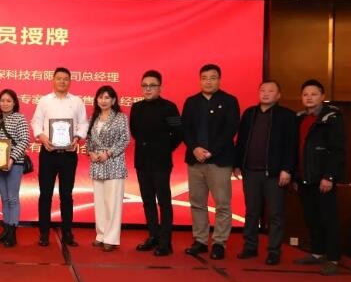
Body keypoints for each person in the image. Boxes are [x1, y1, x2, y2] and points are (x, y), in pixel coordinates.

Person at [234, 81, 297, 265]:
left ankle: (274, 251)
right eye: (262, 90)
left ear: (278, 95)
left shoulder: (286, 115)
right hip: (250, 172)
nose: (266, 93)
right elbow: (241, 141)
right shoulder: (249, 113)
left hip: (275, 173)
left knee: (275, 214)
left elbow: (291, 145)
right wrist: (237, 164)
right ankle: (250, 247)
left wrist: (287, 169)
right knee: (251, 212)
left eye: (271, 91)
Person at [181, 64, 240, 260]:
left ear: (219, 80)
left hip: (219, 161)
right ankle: (200, 240)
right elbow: (185, 129)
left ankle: (219, 243)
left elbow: (230, 129)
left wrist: (210, 151)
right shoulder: (191, 102)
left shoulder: (229, 101)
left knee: (222, 204)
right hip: (195, 160)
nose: (208, 81)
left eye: (213, 78)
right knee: (197, 203)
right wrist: (194, 148)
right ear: (200, 80)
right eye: (204, 78)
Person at [293, 79, 346, 276]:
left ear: (322, 97)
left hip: (323, 178)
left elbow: (337, 151)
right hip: (304, 177)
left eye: (314, 94)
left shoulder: (332, 117)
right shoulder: (299, 118)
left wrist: (329, 177)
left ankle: (333, 258)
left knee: (328, 219)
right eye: (305, 94)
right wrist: (295, 176)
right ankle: (317, 252)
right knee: (311, 217)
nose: (309, 98)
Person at [31, 67, 89, 247]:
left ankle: (67, 233)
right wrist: (42, 137)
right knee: (45, 194)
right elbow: (36, 122)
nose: (62, 81)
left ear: (70, 81)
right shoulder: (45, 101)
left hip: (68, 155)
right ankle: (44, 233)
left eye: (65, 79)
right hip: (48, 153)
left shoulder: (77, 101)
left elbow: (83, 124)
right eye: (59, 78)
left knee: (66, 195)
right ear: (53, 80)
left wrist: (77, 137)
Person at [129, 70, 182, 256]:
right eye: (144, 86)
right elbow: (134, 132)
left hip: (161, 162)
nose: (148, 89)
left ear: (160, 88)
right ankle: (153, 236)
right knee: (148, 200)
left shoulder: (169, 107)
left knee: (164, 201)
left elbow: (178, 133)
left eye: (152, 85)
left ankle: (166, 242)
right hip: (142, 161)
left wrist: (164, 148)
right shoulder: (136, 107)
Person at [86, 86, 130, 252]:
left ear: (113, 100)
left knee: (113, 203)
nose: (103, 101)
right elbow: (89, 139)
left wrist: (109, 153)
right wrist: (90, 152)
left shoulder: (121, 117)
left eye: (107, 97)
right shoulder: (94, 117)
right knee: (100, 203)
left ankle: (111, 238)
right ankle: (101, 234)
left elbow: (125, 140)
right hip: (97, 163)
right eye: (100, 97)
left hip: (114, 163)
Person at [0, 89, 30, 247]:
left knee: (12, 198)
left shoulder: (20, 118)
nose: (5, 103)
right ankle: (5, 230)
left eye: (8, 101)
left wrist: (11, 159)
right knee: (4, 198)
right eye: (2, 100)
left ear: (14, 103)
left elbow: (25, 140)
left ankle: (12, 233)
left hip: (15, 163)